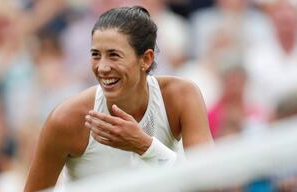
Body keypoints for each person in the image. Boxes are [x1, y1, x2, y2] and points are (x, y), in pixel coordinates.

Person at [24, 6, 213, 191]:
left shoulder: (182, 96)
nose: (102, 67)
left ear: (146, 59)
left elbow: (212, 186)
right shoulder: (66, 119)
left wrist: (144, 145)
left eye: (114, 55)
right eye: (96, 55)